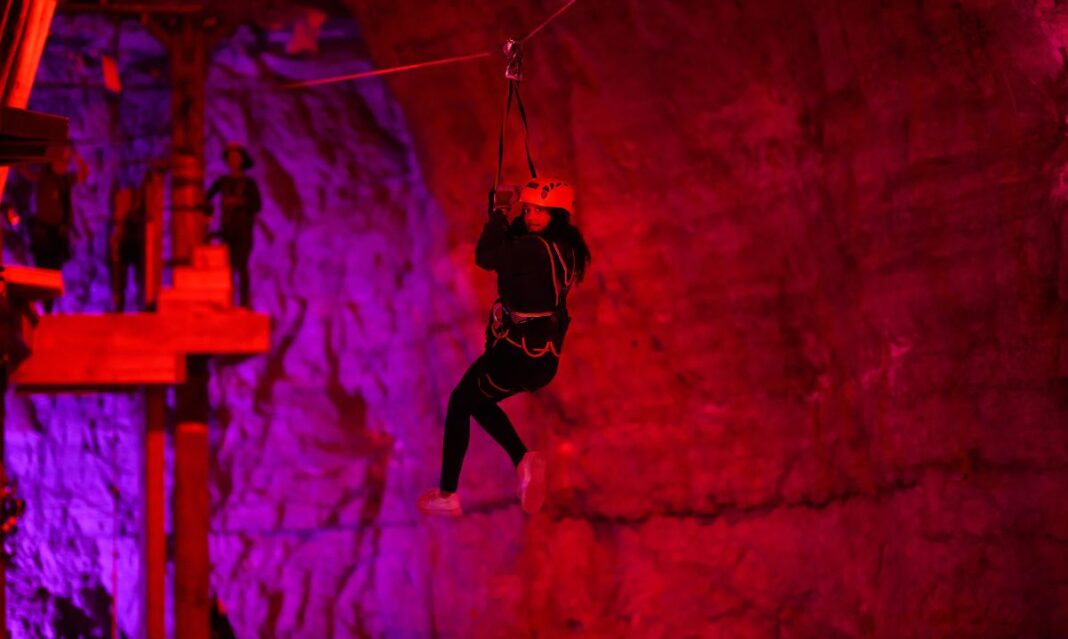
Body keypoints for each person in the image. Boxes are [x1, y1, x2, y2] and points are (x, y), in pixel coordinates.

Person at [417, 177, 592, 517]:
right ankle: (522, 460)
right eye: (527, 209)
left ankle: (448, 495)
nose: (530, 215)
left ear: (555, 213)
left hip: (516, 354)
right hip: (542, 358)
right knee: (475, 401)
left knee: (458, 402)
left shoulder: (531, 249)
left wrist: (497, 214)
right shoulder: (566, 248)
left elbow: (486, 255)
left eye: (539, 210)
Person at [23, 143, 87, 312]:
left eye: (65, 162)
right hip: (43, 232)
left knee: (54, 269)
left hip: (57, 233)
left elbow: (83, 174)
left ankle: (50, 305)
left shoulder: (64, 180)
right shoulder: (43, 177)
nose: (62, 165)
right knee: (43, 268)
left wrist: (75, 156)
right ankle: (44, 305)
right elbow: (26, 172)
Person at [205, 142, 261, 308]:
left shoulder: (249, 183)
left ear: (242, 160)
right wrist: (208, 213)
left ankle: (244, 303)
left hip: (243, 229)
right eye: (230, 158)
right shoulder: (222, 181)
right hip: (226, 228)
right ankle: (226, 301)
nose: (233, 161)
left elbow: (257, 205)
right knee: (227, 267)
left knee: (242, 265)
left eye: (236, 157)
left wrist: (238, 202)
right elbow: (207, 197)